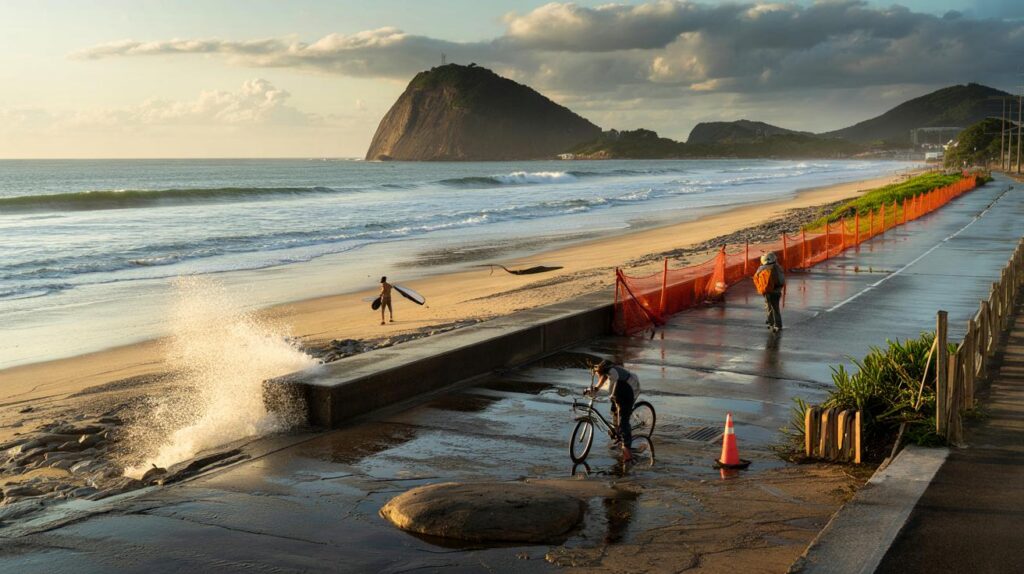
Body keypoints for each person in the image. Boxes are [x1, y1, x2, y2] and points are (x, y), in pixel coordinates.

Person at [590, 360, 640, 462]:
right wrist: (594, 389)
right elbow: (601, 383)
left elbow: (610, 390)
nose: (599, 376)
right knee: (614, 411)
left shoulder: (613, 372)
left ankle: (627, 449)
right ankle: (618, 433)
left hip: (630, 389)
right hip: (619, 390)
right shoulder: (606, 372)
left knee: (623, 420)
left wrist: (605, 394)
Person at [755, 252, 785, 332]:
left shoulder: (761, 268)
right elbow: (781, 281)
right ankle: (777, 324)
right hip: (776, 291)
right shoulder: (778, 268)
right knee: (775, 308)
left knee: (768, 306)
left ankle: (771, 322)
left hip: (766, 291)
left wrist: (761, 289)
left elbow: (756, 278)